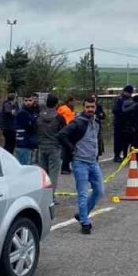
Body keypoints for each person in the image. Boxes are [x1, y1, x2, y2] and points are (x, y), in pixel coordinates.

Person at [59, 99, 103, 235]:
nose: (90, 109)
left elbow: (96, 139)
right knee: (83, 193)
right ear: (83, 107)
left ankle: (82, 214)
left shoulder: (96, 122)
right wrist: (72, 148)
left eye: (92, 107)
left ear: (95, 108)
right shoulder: (78, 122)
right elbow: (61, 135)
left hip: (93, 162)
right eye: (88, 107)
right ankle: (85, 222)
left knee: (99, 191)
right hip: (80, 162)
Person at [35, 94, 65, 186]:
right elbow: (64, 132)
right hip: (54, 146)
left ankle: (43, 193)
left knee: (43, 174)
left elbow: (35, 130)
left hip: (41, 146)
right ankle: (51, 194)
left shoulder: (39, 117)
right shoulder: (59, 118)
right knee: (53, 174)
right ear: (56, 104)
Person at [13, 94, 39, 165]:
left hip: (28, 143)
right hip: (24, 143)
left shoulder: (32, 111)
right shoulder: (23, 113)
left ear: (33, 101)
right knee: (24, 166)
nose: (28, 102)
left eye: (30, 100)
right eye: (26, 100)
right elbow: (30, 127)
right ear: (23, 101)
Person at [114, 86, 135, 160]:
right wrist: (124, 114)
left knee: (124, 141)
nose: (131, 94)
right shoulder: (120, 100)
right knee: (118, 140)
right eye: (130, 93)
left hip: (126, 124)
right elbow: (116, 110)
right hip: (120, 123)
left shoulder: (128, 100)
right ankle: (117, 155)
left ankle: (123, 155)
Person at [58, 97, 77, 174]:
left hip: (66, 130)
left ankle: (66, 167)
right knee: (66, 150)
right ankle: (64, 168)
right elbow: (67, 120)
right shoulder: (65, 109)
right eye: (73, 102)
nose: (74, 103)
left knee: (67, 150)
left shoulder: (66, 109)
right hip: (66, 131)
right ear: (69, 102)